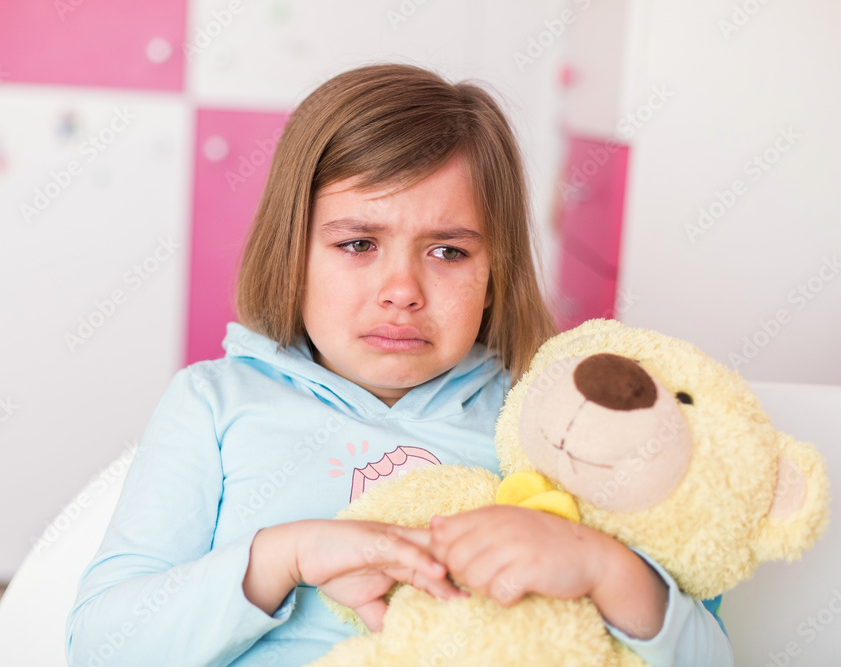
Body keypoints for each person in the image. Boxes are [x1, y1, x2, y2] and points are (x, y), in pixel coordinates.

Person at [65, 62, 732, 666]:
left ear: (496, 273)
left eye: (447, 252)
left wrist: (603, 568)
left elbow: (712, 657)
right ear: (292, 252)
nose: (403, 288)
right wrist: (282, 557)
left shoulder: (549, 424)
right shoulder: (215, 403)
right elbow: (100, 645)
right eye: (358, 243)